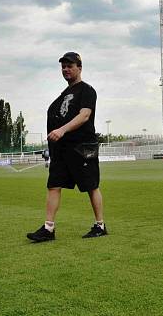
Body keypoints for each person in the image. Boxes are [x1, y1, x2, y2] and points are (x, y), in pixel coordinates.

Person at [26, 52, 107, 242]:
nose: (66, 69)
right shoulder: (62, 95)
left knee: (91, 186)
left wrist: (62, 130)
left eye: (70, 66)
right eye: (63, 66)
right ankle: (48, 229)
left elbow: (84, 115)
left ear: (79, 67)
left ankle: (100, 225)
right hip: (62, 150)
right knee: (53, 185)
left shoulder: (87, 90)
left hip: (82, 147)